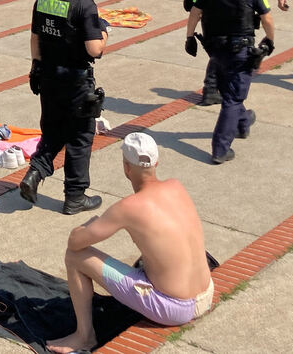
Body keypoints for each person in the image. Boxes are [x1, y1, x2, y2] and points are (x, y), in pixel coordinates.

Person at [46, 133, 213, 354]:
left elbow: (76, 243)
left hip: (174, 308)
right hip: (207, 293)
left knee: (75, 257)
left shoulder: (129, 207)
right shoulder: (176, 186)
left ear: (126, 167)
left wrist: (89, 223)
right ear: (156, 162)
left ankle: (84, 336)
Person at [20, 0, 109, 214]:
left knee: (54, 129)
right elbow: (94, 49)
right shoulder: (84, 4)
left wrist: (35, 66)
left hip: (47, 76)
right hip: (75, 79)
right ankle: (75, 196)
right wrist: (104, 32)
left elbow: (35, 37)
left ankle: (35, 173)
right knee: (80, 136)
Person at [185, 0, 275, 163]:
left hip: (215, 48)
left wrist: (189, 38)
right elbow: (266, 18)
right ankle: (220, 149)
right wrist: (269, 41)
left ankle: (243, 122)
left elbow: (195, 12)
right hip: (240, 48)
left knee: (229, 90)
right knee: (233, 97)